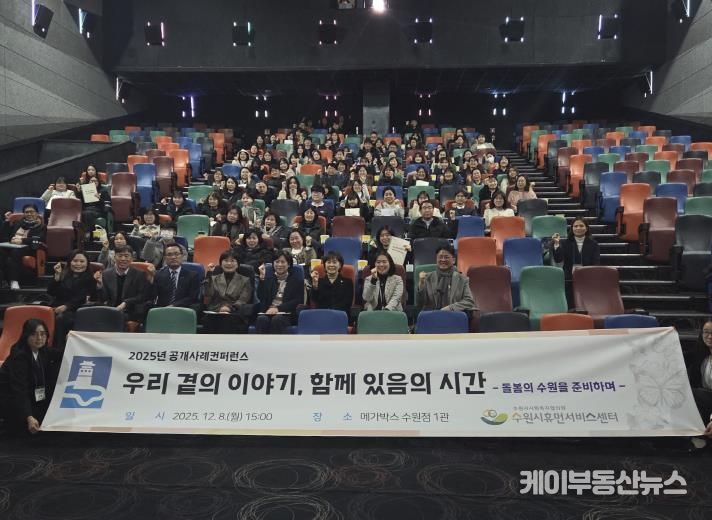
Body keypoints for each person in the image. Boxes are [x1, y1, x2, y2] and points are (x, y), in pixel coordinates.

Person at [0, 319, 62, 435]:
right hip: (10, 397)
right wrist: (29, 417)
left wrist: (71, 339)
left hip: (32, 395)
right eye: (34, 334)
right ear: (26, 336)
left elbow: (62, 354)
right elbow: (19, 390)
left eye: (42, 334)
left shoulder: (43, 350)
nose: (39, 338)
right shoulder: (19, 357)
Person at [48, 250, 97, 347]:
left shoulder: (90, 279)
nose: (78, 264)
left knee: (61, 319)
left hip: (77, 310)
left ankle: (59, 349)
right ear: (70, 262)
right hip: (58, 307)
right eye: (75, 261)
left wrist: (66, 306)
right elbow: (51, 292)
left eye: (82, 261)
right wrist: (57, 277)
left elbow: (82, 297)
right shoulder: (63, 274)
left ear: (87, 263)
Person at [95, 245, 150, 323]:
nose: (123, 259)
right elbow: (104, 298)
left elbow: (142, 296)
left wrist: (126, 303)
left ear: (132, 258)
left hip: (131, 311)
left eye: (126, 256)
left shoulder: (140, 274)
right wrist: (100, 285)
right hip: (111, 310)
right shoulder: (106, 274)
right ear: (114, 258)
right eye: (120, 256)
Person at [202, 250, 253, 334]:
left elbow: (243, 299)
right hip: (216, 310)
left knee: (228, 320)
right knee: (208, 319)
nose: (229, 263)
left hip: (235, 312)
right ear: (220, 263)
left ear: (238, 264)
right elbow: (207, 295)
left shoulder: (245, 280)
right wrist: (209, 275)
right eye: (226, 260)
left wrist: (229, 308)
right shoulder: (214, 278)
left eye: (232, 261)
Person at [418, 244, 476, 313]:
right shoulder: (428, 277)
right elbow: (420, 303)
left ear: (453, 260)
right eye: (440, 257)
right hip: (432, 315)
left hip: (453, 316)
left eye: (446, 257)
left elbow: (469, 301)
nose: (443, 260)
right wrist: (422, 283)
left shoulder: (462, 279)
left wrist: (451, 308)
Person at [255, 251, 303, 334]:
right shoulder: (269, 279)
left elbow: (297, 300)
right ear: (273, 264)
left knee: (277, 319)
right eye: (277, 262)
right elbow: (261, 296)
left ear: (288, 264)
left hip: (286, 314)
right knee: (261, 319)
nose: (279, 265)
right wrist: (262, 279)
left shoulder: (296, 281)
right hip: (268, 312)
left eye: (283, 262)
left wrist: (278, 309)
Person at [0, 204, 46, 290]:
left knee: (16, 252)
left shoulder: (41, 226)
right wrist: (7, 221)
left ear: (37, 213)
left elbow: (38, 239)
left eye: (31, 212)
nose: (29, 214)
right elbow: (5, 236)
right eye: (26, 212)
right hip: (13, 246)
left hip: (30, 248)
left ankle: (14, 281)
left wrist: (22, 240)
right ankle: (2, 280)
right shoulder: (18, 223)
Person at [145, 242, 200, 310]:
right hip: (162, 309)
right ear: (165, 258)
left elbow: (192, 297)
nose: (173, 257)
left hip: (183, 309)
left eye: (176, 254)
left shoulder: (192, 276)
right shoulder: (158, 275)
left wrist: (174, 306)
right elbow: (152, 297)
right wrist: (151, 280)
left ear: (182, 256)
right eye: (169, 255)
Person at [309, 251, 354, 316]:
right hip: (322, 316)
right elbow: (314, 300)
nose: (331, 265)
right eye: (328, 262)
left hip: (340, 316)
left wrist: (331, 313)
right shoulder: (318, 281)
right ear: (325, 265)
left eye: (334, 262)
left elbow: (347, 304)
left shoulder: (348, 282)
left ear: (340, 265)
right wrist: (315, 285)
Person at [689, 319, 712, 441]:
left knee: (691, 394)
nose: (709, 336)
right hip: (707, 399)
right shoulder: (703, 355)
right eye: (706, 332)